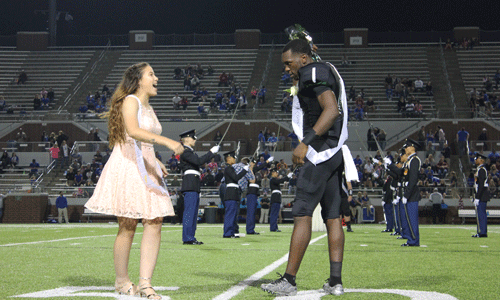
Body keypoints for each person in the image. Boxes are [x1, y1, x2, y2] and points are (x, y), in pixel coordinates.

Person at [84, 62, 184, 299]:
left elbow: (144, 142)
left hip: (146, 166)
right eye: (151, 74)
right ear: (139, 80)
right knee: (128, 225)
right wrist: (168, 142)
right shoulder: (131, 101)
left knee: (155, 220)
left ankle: (146, 283)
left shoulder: (149, 107)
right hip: (128, 166)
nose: (156, 78)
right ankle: (121, 281)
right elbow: (132, 131)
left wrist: (156, 160)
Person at [262, 39, 348, 296]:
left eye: (289, 63)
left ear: (304, 58)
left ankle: (288, 281)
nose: (287, 68)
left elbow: (330, 110)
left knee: (302, 212)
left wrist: (305, 143)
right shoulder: (317, 70)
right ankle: (335, 282)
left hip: (320, 150)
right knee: (333, 217)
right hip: (334, 151)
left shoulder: (313, 71)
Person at [178, 129, 219, 245]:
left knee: (193, 213)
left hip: (193, 184)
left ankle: (191, 236)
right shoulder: (185, 151)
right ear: (186, 139)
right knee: (190, 213)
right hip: (190, 184)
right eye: (193, 137)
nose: (195, 139)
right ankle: (187, 238)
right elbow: (198, 161)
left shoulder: (189, 152)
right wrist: (211, 152)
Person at [400, 139, 422, 246]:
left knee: (412, 219)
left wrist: (406, 194)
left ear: (413, 147)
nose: (405, 148)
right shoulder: (410, 160)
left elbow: (413, 179)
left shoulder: (414, 160)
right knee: (409, 219)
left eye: (407, 146)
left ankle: (414, 240)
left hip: (412, 194)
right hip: (409, 192)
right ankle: (410, 239)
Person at [222, 150, 248, 238]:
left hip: (234, 192)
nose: (235, 159)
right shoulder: (228, 168)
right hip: (231, 193)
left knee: (233, 214)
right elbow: (236, 178)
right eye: (233, 157)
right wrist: (244, 171)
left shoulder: (230, 168)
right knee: (230, 214)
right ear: (229, 158)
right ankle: (227, 233)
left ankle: (231, 232)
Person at [472, 153, 490, 238]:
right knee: (480, 214)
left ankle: (483, 232)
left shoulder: (482, 169)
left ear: (481, 160)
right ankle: (481, 231)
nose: (475, 160)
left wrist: (478, 197)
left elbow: (481, 185)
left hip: (482, 195)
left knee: (481, 214)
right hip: (480, 194)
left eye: (477, 159)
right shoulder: (479, 169)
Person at [269, 168, 292, 232]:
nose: (277, 174)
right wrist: (287, 177)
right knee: (274, 214)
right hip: (275, 197)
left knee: (275, 214)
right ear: (272, 173)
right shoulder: (272, 180)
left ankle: (275, 227)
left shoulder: (274, 180)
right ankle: (273, 228)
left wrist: (287, 177)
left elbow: (280, 180)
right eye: (276, 172)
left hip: (277, 197)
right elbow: (280, 181)